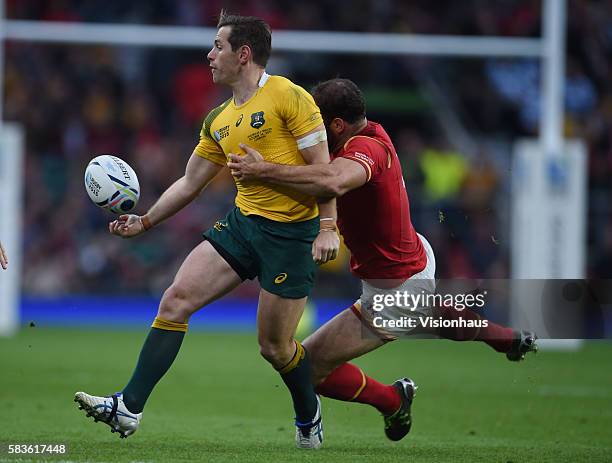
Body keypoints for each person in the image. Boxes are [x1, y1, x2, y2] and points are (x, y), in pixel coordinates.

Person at [74, 12, 339, 449]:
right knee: (175, 300)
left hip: (292, 235)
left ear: (244, 53)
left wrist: (328, 227)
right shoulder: (218, 118)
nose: (210, 54)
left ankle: (309, 414)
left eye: (218, 46)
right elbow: (190, 182)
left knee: (274, 347)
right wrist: (145, 221)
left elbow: (325, 174)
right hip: (242, 225)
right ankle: (129, 408)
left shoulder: (289, 97)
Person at [228, 78, 538, 441]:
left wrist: (263, 171)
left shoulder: (366, 150)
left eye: (314, 122)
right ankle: (505, 338)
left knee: (305, 367)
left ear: (336, 125)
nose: (307, 130)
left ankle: (392, 400)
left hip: (393, 287)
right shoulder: (369, 133)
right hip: (414, 258)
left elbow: (332, 181)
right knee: (429, 312)